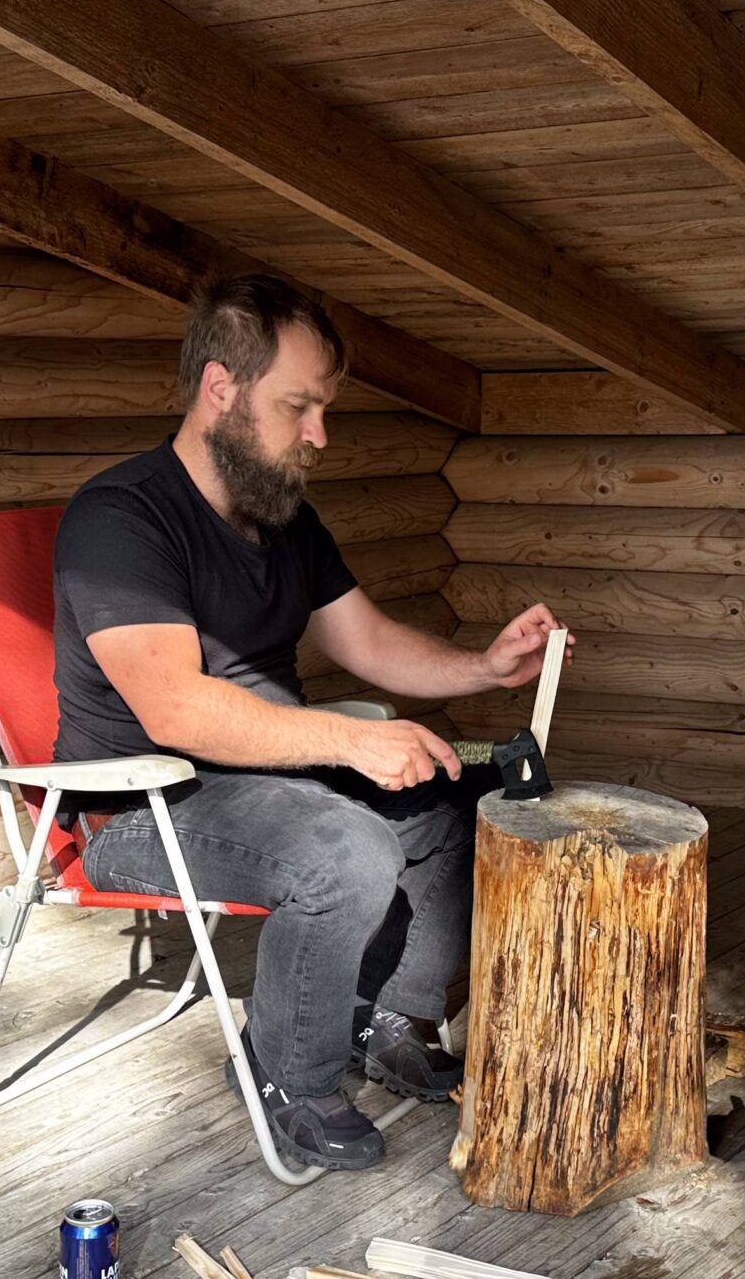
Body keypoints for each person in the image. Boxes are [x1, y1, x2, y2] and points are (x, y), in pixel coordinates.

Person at [51, 275, 565, 1172]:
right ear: (221, 389)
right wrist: (351, 740)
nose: (319, 435)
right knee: (345, 851)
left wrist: (482, 667)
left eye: (324, 410)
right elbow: (175, 708)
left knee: (456, 796)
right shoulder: (122, 518)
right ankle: (288, 1074)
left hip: (270, 777)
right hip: (141, 803)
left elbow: (365, 641)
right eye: (299, 408)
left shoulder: (282, 517)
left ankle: (385, 1019)